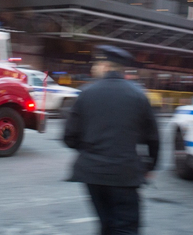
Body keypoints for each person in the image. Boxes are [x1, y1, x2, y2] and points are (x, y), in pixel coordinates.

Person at [63, 45, 160, 235]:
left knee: (105, 224)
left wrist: (90, 152)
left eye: (97, 63)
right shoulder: (138, 95)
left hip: (92, 174)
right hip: (124, 173)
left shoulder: (86, 93)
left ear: (106, 66)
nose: (93, 67)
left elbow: (69, 137)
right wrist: (150, 167)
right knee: (125, 227)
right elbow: (153, 138)